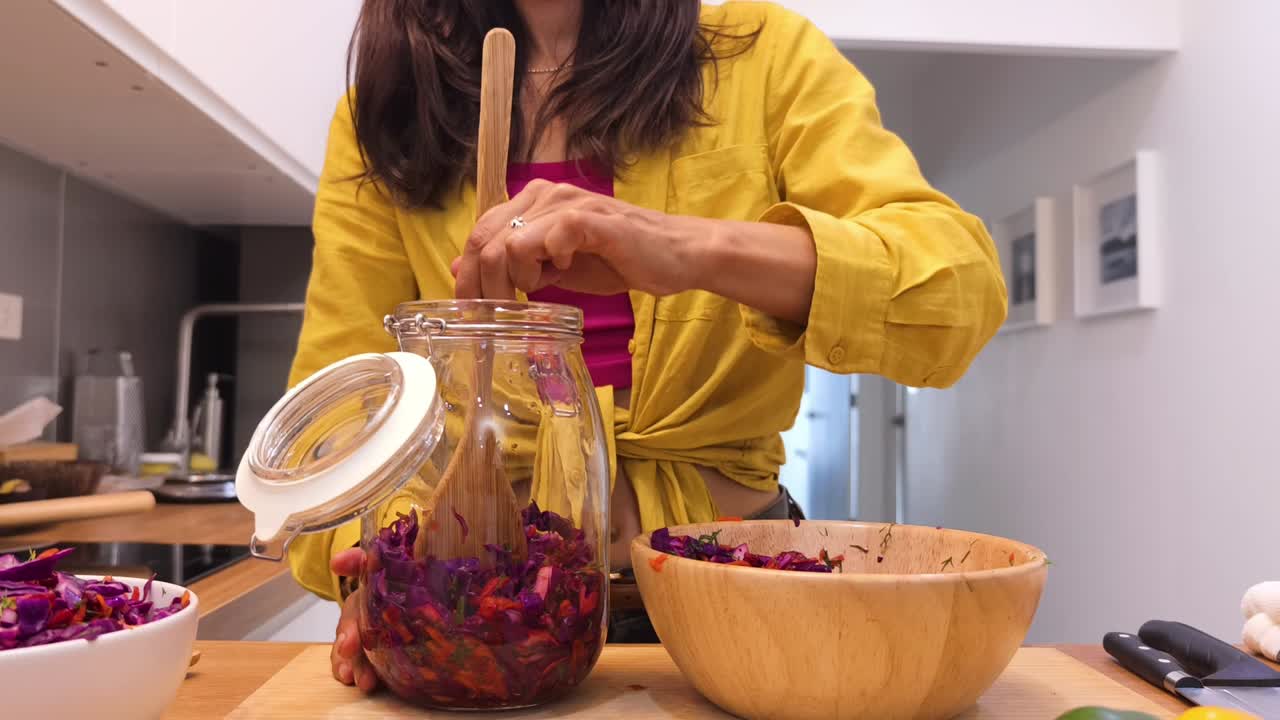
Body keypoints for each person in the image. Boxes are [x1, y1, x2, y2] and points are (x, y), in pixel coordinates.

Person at [288, 0, 1008, 692]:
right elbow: (335, 418)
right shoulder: (377, 115)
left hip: (737, 588)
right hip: (473, 610)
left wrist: (687, 247)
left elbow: (957, 294)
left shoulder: (765, 55)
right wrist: (382, 575)